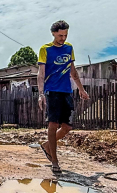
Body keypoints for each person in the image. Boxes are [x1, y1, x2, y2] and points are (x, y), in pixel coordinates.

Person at [37, 20, 90, 174]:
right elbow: (41, 74)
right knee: (53, 125)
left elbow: (73, 71)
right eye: (60, 35)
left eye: (65, 35)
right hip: (52, 91)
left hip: (66, 91)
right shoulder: (45, 49)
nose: (63, 38)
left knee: (67, 127)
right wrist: (41, 94)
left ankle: (47, 145)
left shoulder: (69, 48)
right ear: (53, 34)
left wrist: (81, 89)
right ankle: (54, 161)